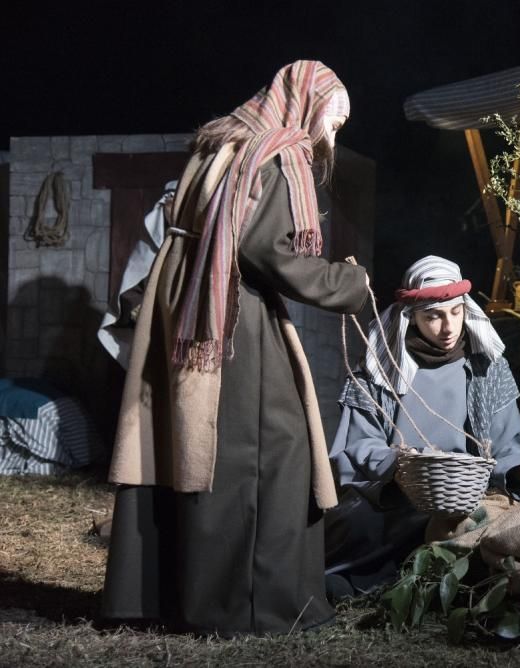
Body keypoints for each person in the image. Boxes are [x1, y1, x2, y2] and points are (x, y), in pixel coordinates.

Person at [101, 61, 369, 635]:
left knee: (192, 444)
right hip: (229, 314)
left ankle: (171, 594)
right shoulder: (275, 152)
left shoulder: (220, 143)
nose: (331, 134)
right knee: (271, 447)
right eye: (334, 118)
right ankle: (253, 604)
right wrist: (348, 283)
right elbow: (267, 251)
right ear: (305, 101)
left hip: (191, 300)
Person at [325, 255, 520, 596]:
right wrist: (401, 465)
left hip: (467, 495)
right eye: (433, 316)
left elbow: (507, 445)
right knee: (359, 531)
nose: (448, 327)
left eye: (455, 312)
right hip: (396, 500)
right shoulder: (379, 370)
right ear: (411, 317)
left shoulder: (485, 368)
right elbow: (357, 445)